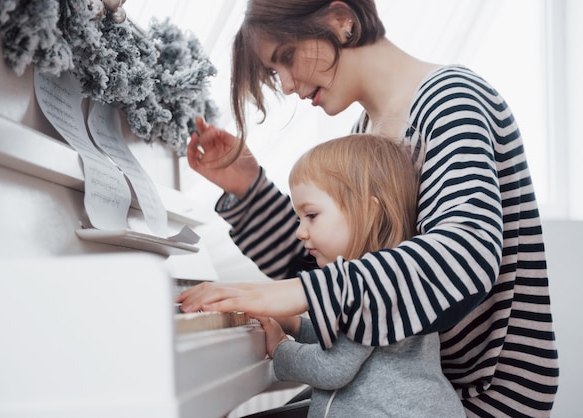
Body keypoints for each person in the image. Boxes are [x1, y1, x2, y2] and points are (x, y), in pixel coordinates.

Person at [176, 1, 560, 416]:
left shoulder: (452, 102)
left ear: (342, 19)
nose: (286, 84)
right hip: (398, 383)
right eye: (275, 71)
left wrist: (296, 294)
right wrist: (250, 191)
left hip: (476, 397)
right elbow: (340, 284)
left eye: (286, 57)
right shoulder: (368, 131)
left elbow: (462, 257)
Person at [255, 133, 466, 417]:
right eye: (298, 218)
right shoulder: (377, 279)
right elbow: (345, 338)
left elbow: (332, 368)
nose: (300, 232)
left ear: (368, 211)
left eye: (312, 216)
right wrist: (294, 325)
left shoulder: (375, 289)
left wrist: (280, 350)